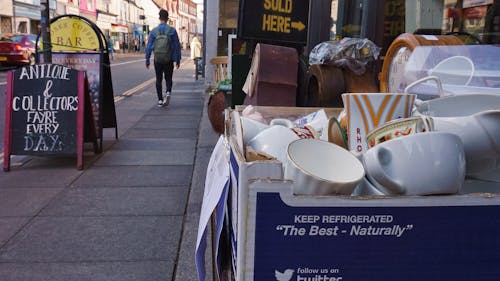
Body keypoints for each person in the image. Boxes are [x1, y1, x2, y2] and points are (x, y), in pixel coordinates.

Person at [145, 9, 181, 107]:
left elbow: (149, 47)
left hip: (158, 59)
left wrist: (147, 60)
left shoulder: (153, 31)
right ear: (167, 18)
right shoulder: (172, 31)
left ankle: (160, 100)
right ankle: (168, 92)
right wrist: (178, 60)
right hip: (168, 59)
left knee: (158, 79)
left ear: (159, 18)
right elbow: (177, 46)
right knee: (168, 78)